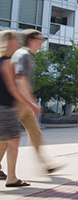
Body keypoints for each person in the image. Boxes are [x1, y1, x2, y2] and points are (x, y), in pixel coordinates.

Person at [0, 29, 61, 176]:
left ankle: (45, 164)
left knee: (33, 133)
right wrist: (31, 102)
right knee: (9, 137)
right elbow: (20, 80)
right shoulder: (24, 55)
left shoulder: (23, 55)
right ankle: (14, 175)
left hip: (20, 101)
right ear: (32, 40)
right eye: (39, 39)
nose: (41, 42)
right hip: (17, 102)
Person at [0, 30, 40, 187]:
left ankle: (11, 177)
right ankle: (11, 178)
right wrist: (31, 104)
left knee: (9, 141)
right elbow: (13, 89)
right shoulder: (6, 63)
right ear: (8, 42)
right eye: (14, 41)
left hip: (4, 107)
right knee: (13, 141)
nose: (17, 43)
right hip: (5, 108)